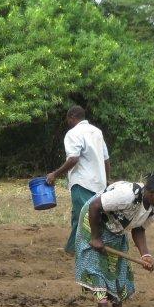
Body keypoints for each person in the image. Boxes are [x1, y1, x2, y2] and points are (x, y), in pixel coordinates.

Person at [74, 173, 154, 307]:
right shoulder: (127, 195)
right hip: (94, 223)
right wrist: (95, 237)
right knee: (97, 272)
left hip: (116, 230)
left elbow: (139, 229)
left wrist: (145, 255)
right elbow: (95, 206)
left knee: (119, 270)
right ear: (152, 193)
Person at [46, 105, 110, 253]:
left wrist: (55, 174)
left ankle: (74, 248)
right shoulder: (97, 132)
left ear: (72, 117)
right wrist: (107, 179)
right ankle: (75, 246)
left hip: (82, 182)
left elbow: (73, 158)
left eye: (68, 119)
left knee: (81, 216)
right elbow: (106, 159)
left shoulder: (73, 133)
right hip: (99, 183)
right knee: (94, 215)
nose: (68, 122)